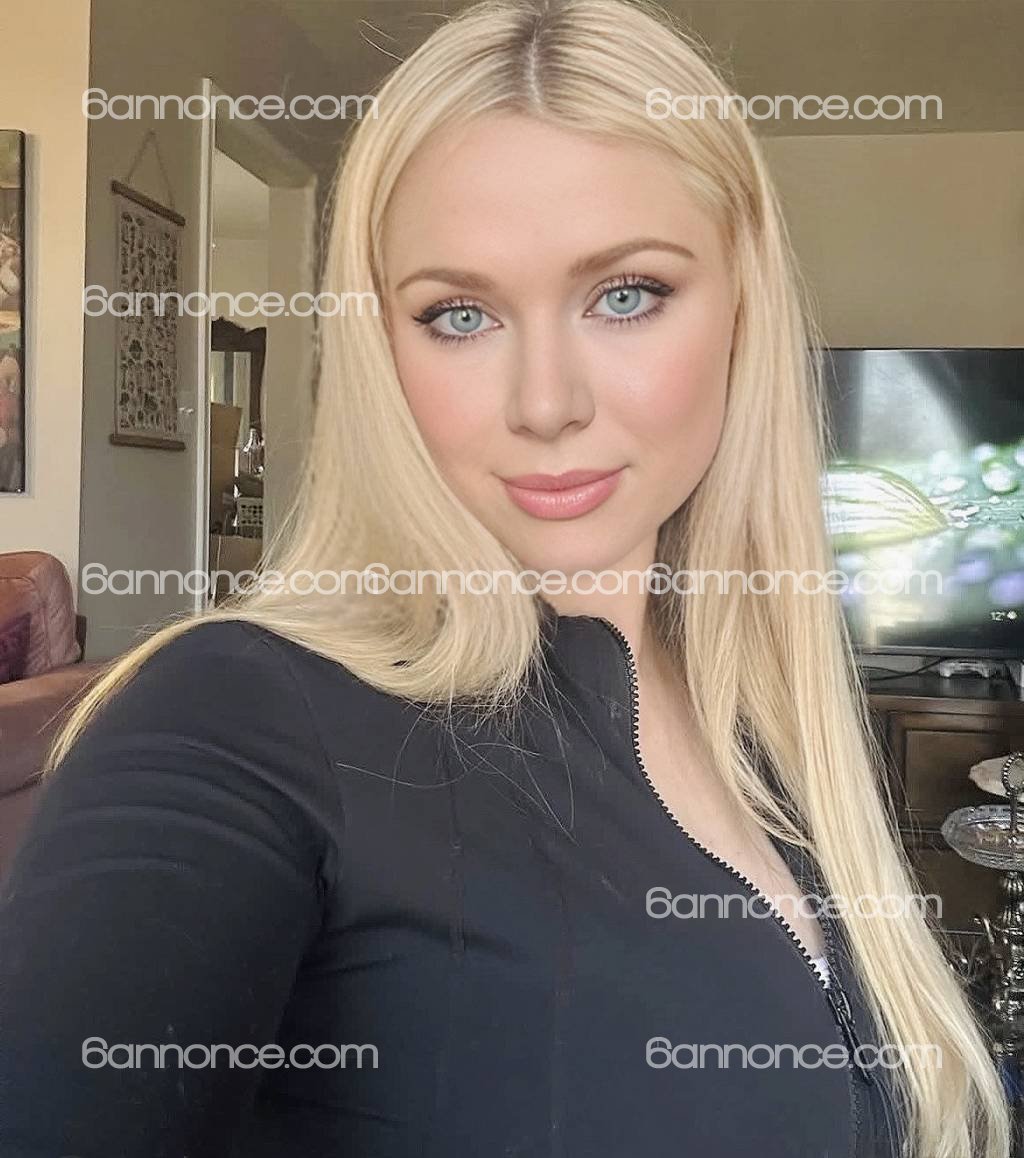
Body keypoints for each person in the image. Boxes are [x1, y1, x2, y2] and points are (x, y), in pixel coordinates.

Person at [0, 1, 1010, 1155]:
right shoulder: (234, 714)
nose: (544, 403)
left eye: (625, 295)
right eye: (459, 314)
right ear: (381, 347)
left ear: (742, 306)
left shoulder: (773, 721)